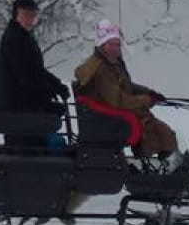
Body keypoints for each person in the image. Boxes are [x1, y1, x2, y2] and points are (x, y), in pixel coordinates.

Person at [74, 19, 180, 168]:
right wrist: (145, 100)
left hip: (110, 115)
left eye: (117, 44)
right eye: (111, 44)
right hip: (109, 119)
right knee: (158, 128)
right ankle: (160, 165)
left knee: (160, 128)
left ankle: (160, 162)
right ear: (102, 45)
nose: (115, 48)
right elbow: (117, 100)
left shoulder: (112, 63)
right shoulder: (102, 69)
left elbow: (127, 85)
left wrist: (150, 93)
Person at [0, 0, 70, 149]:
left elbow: (36, 69)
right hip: (18, 111)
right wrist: (48, 90)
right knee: (30, 151)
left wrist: (56, 85)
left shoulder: (24, 36)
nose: (31, 19)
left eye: (33, 15)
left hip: (27, 107)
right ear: (16, 15)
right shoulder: (14, 38)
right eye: (26, 15)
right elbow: (26, 76)